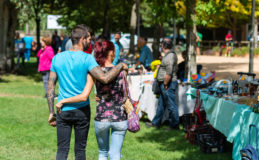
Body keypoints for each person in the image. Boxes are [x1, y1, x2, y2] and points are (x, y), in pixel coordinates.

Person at [46, 24, 128, 160]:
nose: (90, 42)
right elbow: (105, 78)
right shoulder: (87, 58)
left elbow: (50, 88)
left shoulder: (57, 58)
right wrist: (120, 65)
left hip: (62, 110)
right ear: (83, 39)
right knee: (80, 151)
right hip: (81, 111)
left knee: (62, 150)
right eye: (89, 38)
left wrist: (51, 112)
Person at [145, 38, 179, 130]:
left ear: (163, 46)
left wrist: (165, 84)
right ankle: (156, 123)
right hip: (165, 83)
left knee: (171, 105)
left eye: (161, 45)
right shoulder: (168, 55)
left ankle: (174, 126)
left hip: (168, 83)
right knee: (161, 105)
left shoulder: (170, 56)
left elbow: (169, 72)